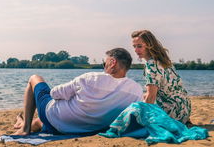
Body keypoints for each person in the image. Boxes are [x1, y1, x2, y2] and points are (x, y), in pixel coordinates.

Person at [13, 48, 143, 135]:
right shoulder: (136, 90)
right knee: (40, 122)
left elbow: (54, 94)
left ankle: (25, 128)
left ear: (112, 62)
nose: (104, 67)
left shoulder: (91, 78)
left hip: (57, 119)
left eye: (105, 63)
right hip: (85, 128)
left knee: (34, 78)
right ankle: (23, 122)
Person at [131, 30, 191, 124]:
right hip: (184, 110)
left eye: (139, 46)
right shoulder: (163, 60)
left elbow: (151, 97)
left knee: (133, 109)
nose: (136, 50)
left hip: (172, 114)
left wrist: (143, 121)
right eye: (134, 46)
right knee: (140, 98)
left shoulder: (152, 65)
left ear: (149, 45)